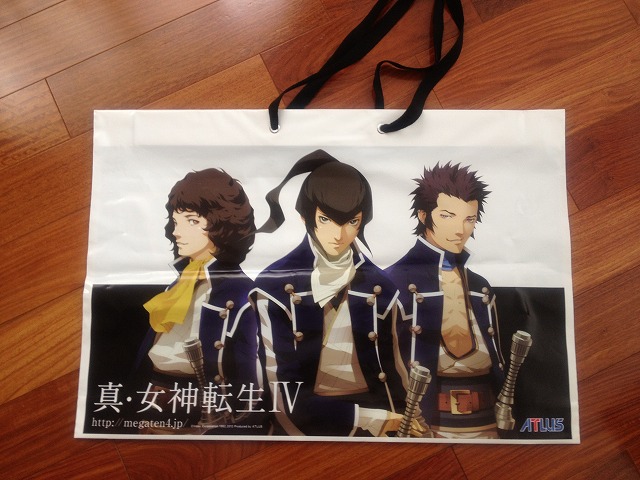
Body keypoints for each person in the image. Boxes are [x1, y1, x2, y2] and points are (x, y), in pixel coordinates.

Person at [251, 150, 415, 437]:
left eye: (352, 222)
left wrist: (405, 420)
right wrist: (367, 418)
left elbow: (396, 372)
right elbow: (282, 394)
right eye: (326, 219)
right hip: (302, 421)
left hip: (381, 418)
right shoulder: (274, 286)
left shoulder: (381, 286)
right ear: (305, 216)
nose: (339, 235)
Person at [133, 168, 268, 434]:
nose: (177, 232)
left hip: (199, 416)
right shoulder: (179, 284)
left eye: (191, 221)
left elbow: (251, 387)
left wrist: (220, 426)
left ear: (222, 226)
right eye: (176, 221)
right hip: (151, 405)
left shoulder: (241, 295)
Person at [385, 162, 506, 439]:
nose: (460, 229)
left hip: (489, 423)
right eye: (447, 216)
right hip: (422, 425)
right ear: (423, 215)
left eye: (469, 219)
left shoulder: (481, 287)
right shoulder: (393, 281)